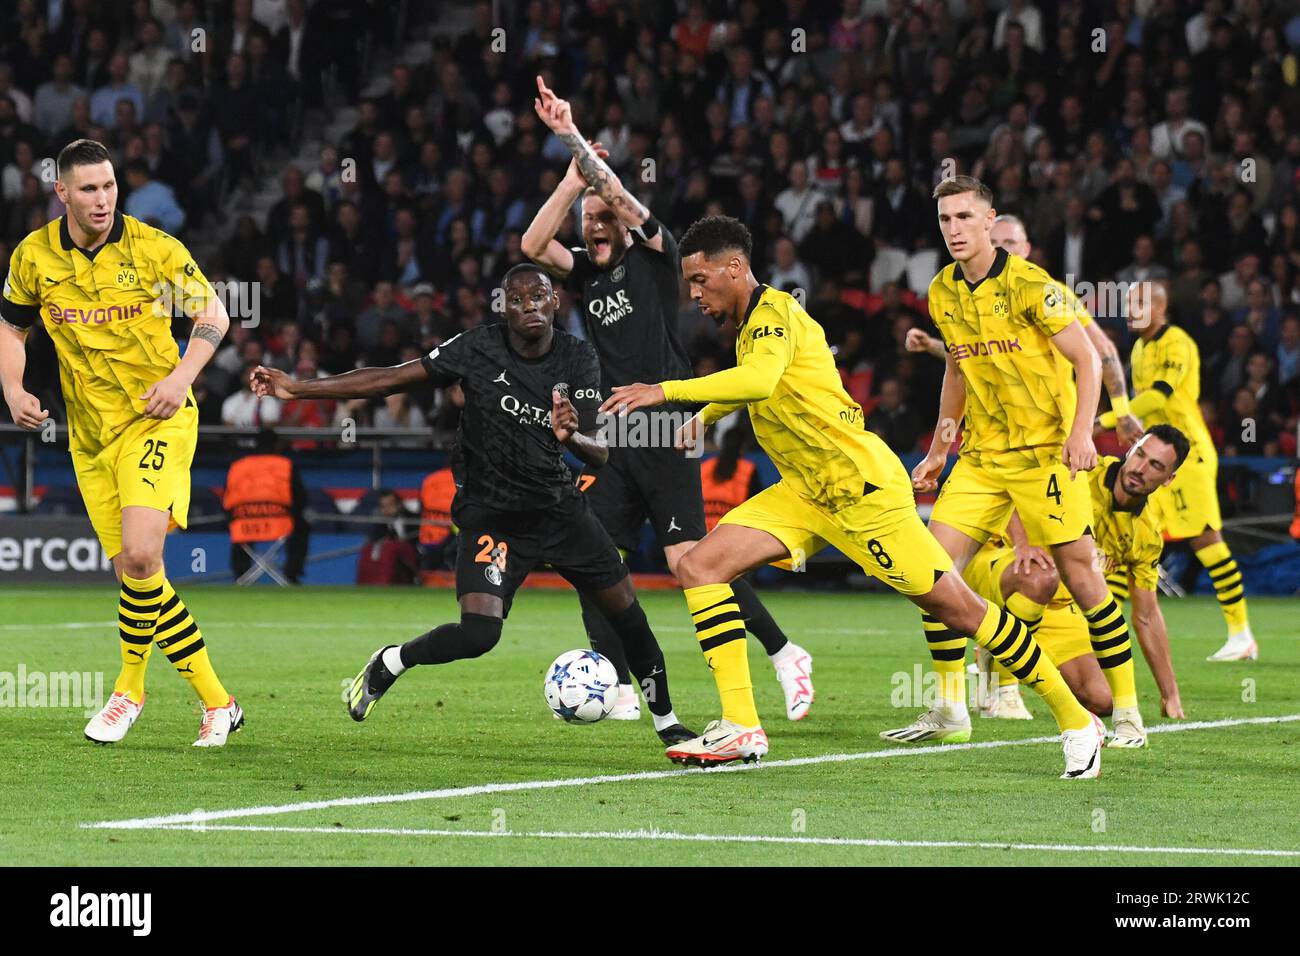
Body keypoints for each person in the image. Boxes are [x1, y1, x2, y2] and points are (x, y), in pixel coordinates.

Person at [605, 216, 1103, 777]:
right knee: (700, 566)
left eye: (700, 279)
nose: (693, 293)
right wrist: (708, 414)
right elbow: (762, 381)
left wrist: (666, 392)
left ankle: (1076, 720)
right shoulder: (751, 326)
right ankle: (741, 725)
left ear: (735, 267)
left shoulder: (773, 315)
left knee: (958, 609)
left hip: (860, 492)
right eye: (688, 282)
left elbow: (761, 379)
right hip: (805, 492)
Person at [251, 265, 696, 748]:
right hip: (492, 516)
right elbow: (391, 380)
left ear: (555, 303)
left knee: (627, 613)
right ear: (504, 307)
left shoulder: (577, 357)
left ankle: (668, 724)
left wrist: (573, 436)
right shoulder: (478, 347)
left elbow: (601, 452)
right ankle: (391, 662)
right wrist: (297, 387)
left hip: (558, 510)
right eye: (518, 299)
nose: (529, 306)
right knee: (480, 634)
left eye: (539, 296)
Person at [522, 76, 813, 723]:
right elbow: (531, 246)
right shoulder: (588, 271)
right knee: (589, 551)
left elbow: (622, 198)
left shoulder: (659, 257)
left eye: (603, 218)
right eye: (588, 221)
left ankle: (784, 652)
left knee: (691, 563)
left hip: (664, 429)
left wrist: (575, 142)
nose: (595, 226)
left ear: (623, 224)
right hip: (617, 436)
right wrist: (571, 184)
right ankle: (620, 687)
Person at [886, 176, 1150, 749]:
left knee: (1082, 579)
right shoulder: (941, 291)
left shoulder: (1035, 285)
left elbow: (1086, 361)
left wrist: (1082, 435)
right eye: (945, 220)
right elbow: (957, 372)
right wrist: (938, 450)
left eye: (963, 218)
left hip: (1045, 456)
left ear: (989, 220)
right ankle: (952, 705)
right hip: (982, 457)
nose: (954, 229)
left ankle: (1128, 713)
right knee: (930, 569)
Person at [0, 139, 242, 747]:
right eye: (88, 189)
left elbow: (214, 315)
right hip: (89, 436)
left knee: (139, 556)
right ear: (62, 194)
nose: (103, 198)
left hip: (157, 418)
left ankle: (128, 691)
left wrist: (182, 376)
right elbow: (11, 325)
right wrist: (11, 386)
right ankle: (219, 702)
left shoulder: (153, 248)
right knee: (141, 574)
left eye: (109, 186)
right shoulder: (33, 257)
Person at [965, 427, 1190, 739]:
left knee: (1102, 699)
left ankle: (998, 649)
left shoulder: (1146, 535)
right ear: (1129, 449)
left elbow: (1147, 615)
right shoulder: (1082, 470)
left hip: (1060, 609)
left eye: (1155, 466)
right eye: (1139, 454)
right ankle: (1003, 689)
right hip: (1004, 565)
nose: (1140, 468)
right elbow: (1012, 486)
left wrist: (1170, 693)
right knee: (1040, 576)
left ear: (1168, 479)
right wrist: (1021, 543)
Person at [1098, 281, 1259, 661]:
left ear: (1160, 307)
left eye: (1138, 304)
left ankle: (1241, 634)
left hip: (1189, 458)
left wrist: (1107, 420)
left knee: (1206, 539)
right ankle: (1102, 628)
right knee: (1129, 539)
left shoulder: (1178, 343)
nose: (1130, 311)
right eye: (1127, 304)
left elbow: (1159, 395)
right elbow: (1144, 405)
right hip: (1157, 456)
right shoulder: (1139, 347)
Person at [223, 428, 308, 584]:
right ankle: (292, 574)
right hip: (279, 524)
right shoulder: (285, 464)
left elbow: (227, 499)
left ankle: (240, 574)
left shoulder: (238, 466)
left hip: (243, 525)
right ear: (277, 445)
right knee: (302, 528)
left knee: (236, 530)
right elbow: (300, 499)